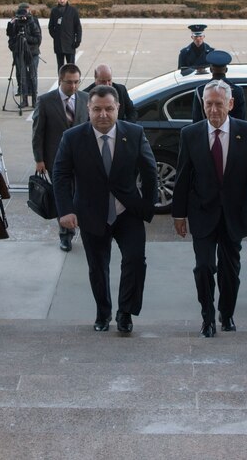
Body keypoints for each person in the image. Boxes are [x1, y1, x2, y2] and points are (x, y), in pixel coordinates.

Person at [52, 86, 158, 333]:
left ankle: (125, 312)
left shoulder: (134, 133)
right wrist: (65, 210)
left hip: (127, 212)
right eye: (97, 109)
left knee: (135, 261)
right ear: (88, 109)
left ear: (117, 109)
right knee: (97, 267)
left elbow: (150, 172)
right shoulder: (73, 137)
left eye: (109, 109)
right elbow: (60, 174)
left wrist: (146, 207)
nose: (103, 114)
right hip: (91, 212)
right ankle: (103, 312)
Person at [172, 80, 247, 337]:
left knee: (230, 271)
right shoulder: (190, 134)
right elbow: (183, 177)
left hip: (235, 214)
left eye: (219, 104)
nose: (214, 110)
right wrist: (179, 214)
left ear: (230, 104)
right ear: (202, 106)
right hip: (202, 213)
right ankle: (207, 317)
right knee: (204, 267)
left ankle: (226, 313)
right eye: (209, 104)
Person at [32, 64, 89, 251]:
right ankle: (65, 235)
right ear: (60, 80)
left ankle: (83, 226)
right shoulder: (46, 101)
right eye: (69, 82)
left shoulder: (85, 98)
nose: (73, 86)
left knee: (81, 194)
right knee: (62, 197)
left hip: (81, 159)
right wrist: (39, 159)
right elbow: (38, 132)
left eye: (76, 82)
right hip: (56, 159)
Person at [189, 50, 246, 121]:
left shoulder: (200, 90)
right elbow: (241, 119)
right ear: (226, 70)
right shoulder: (238, 91)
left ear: (210, 69)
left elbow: (197, 119)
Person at [6, 3, 42, 106]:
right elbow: (11, 38)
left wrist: (27, 38)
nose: (22, 18)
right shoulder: (15, 24)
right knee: (22, 77)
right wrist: (14, 47)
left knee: (33, 76)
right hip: (19, 52)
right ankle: (24, 100)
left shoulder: (32, 22)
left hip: (32, 53)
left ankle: (34, 100)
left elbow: (38, 39)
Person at [48, 0, 83, 68]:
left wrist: (78, 41)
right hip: (59, 45)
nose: (62, 1)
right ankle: (61, 80)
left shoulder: (73, 11)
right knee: (60, 67)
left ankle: (71, 80)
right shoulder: (54, 11)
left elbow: (78, 27)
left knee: (71, 67)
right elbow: (50, 27)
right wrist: (56, 37)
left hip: (70, 44)